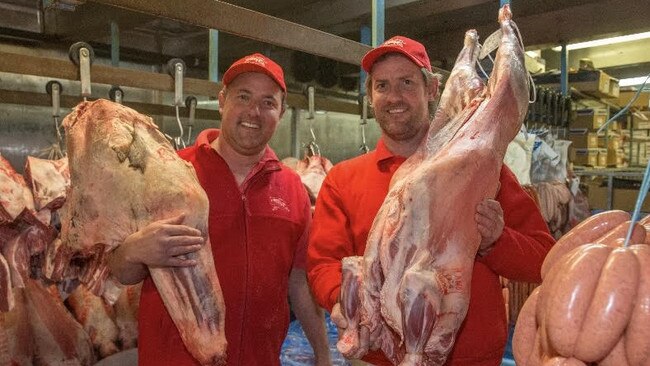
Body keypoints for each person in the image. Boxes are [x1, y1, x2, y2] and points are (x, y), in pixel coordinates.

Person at [307, 36, 555, 366]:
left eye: (407, 83)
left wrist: (497, 240)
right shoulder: (343, 180)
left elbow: (544, 258)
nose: (394, 96)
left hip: (472, 359)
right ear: (370, 96)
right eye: (382, 85)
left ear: (433, 89)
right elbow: (323, 263)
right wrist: (347, 301)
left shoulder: (484, 172)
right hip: (381, 357)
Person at [108, 53, 331, 365]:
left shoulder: (292, 188)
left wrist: (323, 355)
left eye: (268, 102)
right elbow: (121, 271)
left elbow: (298, 281)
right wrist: (134, 250)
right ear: (223, 101)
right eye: (243, 96)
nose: (254, 111)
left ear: (281, 112)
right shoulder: (169, 172)